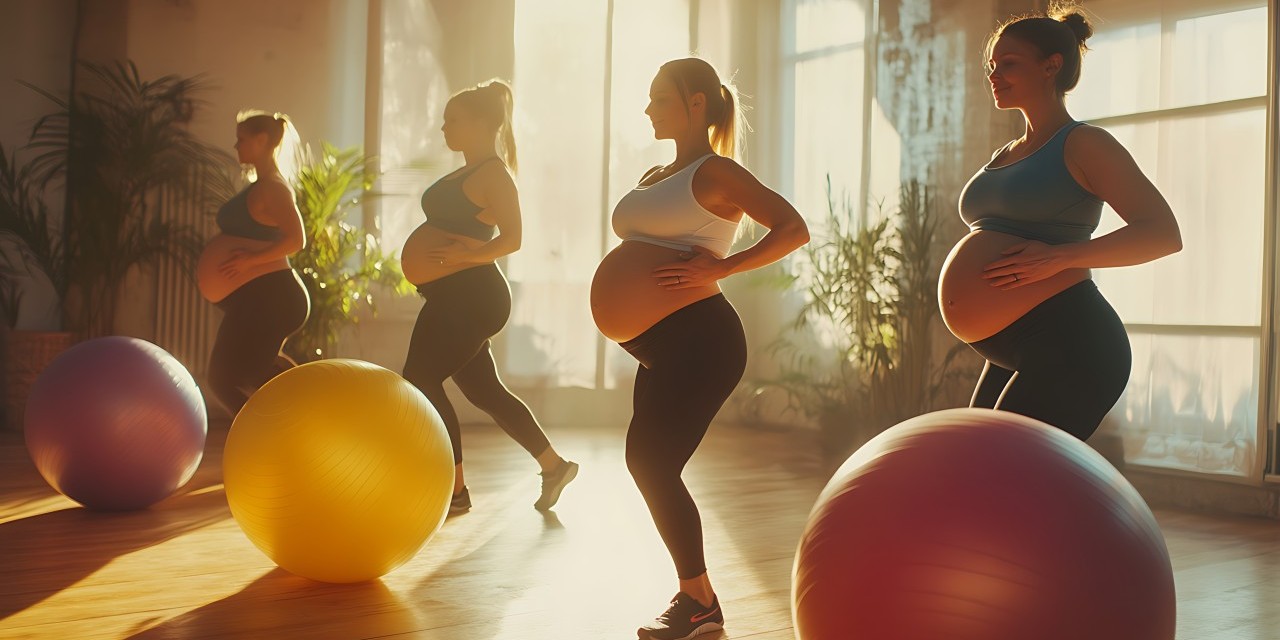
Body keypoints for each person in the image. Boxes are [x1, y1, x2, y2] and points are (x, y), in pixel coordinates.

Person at [591, 58, 809, 640]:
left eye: (659, 98)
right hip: (659, 342)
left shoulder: (717, 172)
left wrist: (727, 265)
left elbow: (792, 227)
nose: (647, 109)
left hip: (702, 337)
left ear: (696, 104)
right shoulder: (659, 171)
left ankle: (699, 603)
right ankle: (699, 602)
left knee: (651, 462)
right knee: (647, 462)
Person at [940, 5, 1182, 441]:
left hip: (1076, 342)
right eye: (992, 66)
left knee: (1004, 472)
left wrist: (1059, 257)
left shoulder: (1085, 144)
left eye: (1008, 64)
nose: (993, 75)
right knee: (978, 465)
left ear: (1051, 66)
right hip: (1015, 346)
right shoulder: (1007, 151)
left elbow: (1163, 233)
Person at [400, 79, 577, 515]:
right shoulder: (465, 171)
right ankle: (554, 466)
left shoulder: (494, 174)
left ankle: (455, 490)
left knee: (420, 379)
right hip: (453, 295)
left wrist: (473, 254)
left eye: (452, 120)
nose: (444, 128)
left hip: (473, 298)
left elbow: (514, 238)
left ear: (481, 123)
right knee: (486, 392)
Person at [200, 111, 310, 417]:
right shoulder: (261, 186)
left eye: (242, 140)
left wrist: (251, 261)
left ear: (262, 141)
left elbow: (296, 239)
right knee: (258, 373)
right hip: (261, 298)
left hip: (272, 297)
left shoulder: (273, 187)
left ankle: (269, 432)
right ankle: (301, 418)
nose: (236, 147)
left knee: (223, 379)